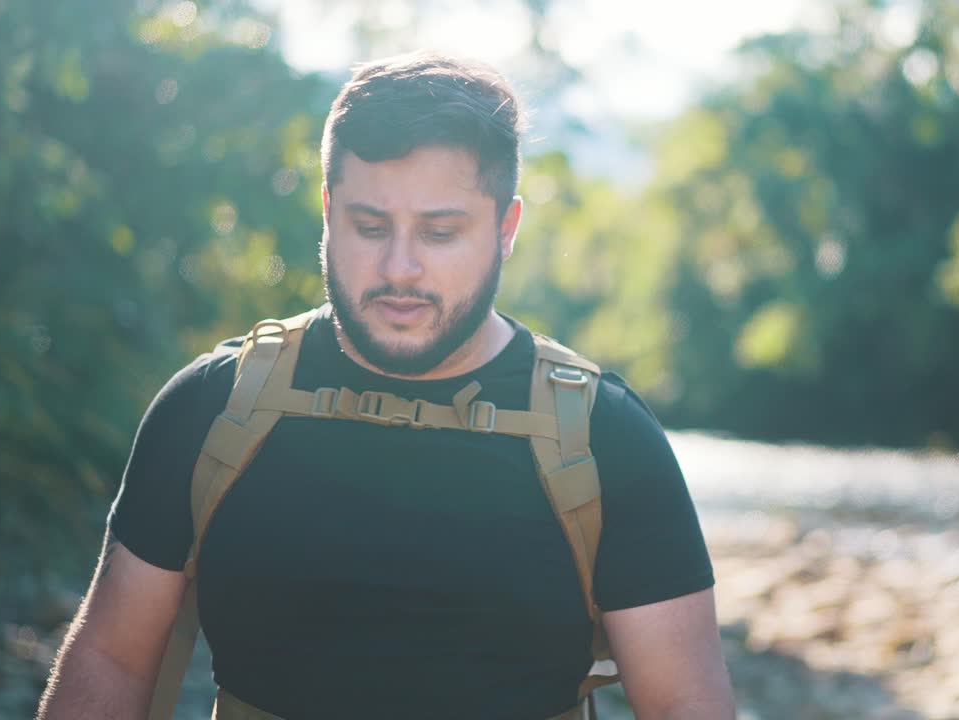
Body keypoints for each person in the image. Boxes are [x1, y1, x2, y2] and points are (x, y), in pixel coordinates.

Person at [37, 51, 733, 720]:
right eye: (370, 226)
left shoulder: (605, 440)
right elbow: (112, 659)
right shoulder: (212, 407)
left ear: (506, 228)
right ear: (328, 211)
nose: (400, 268)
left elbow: (682, 705)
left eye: (439, 232)